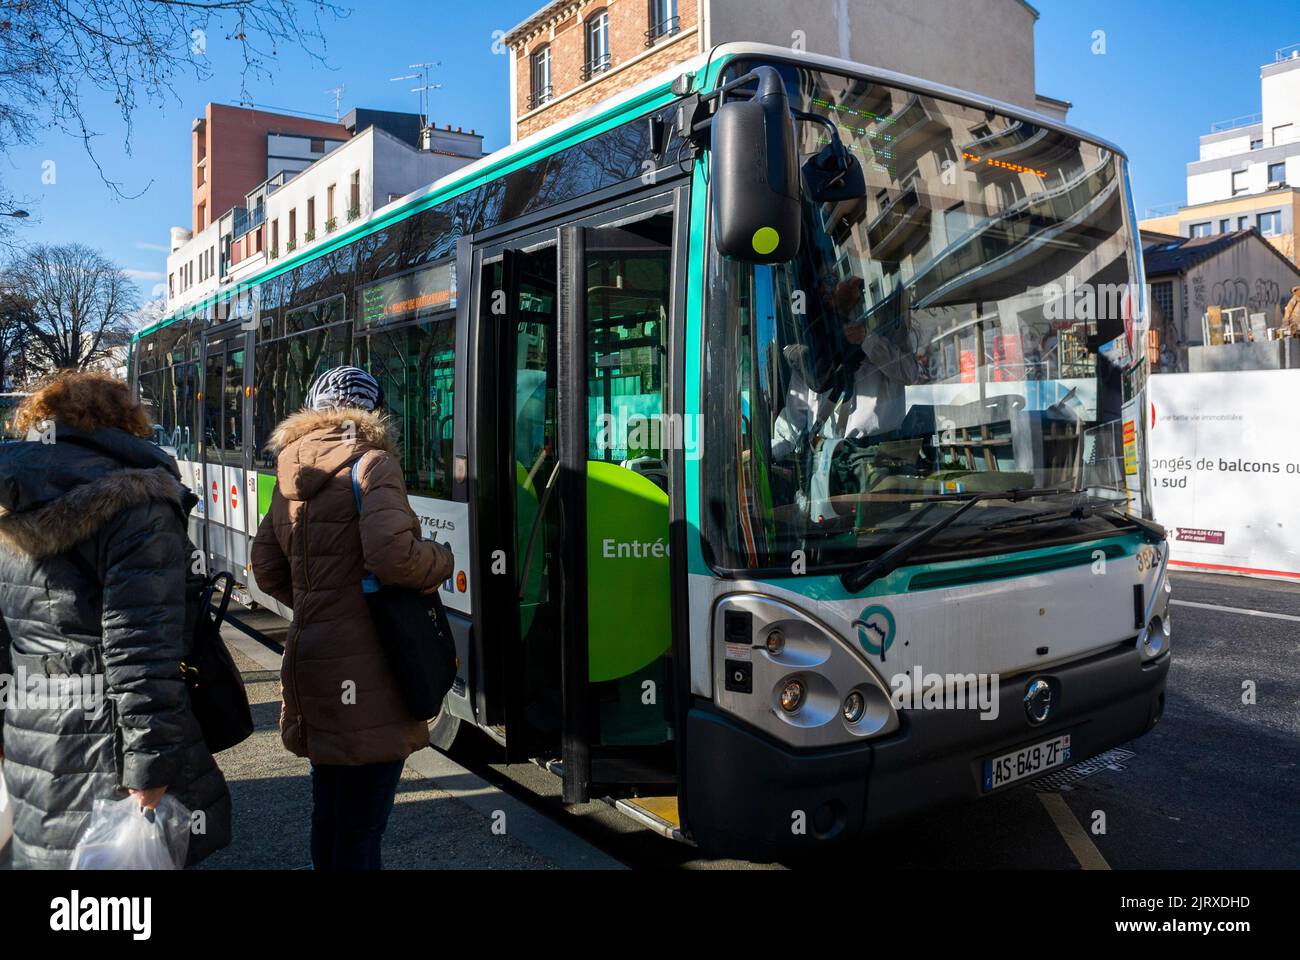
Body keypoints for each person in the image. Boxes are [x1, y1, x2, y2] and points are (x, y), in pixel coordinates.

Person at [0, 370, 231, 869]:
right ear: (123, 422)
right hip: (104, 736)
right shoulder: (138, 504)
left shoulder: (9, 496)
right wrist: (149, 764)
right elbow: (141, 649)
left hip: (29, 724)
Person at [251, 366, 453, 871]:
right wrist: (442, 559)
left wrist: (320, 606)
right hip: (371, 669)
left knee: (331, 813)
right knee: (364, 825)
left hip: (312, 663)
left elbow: (266, 568)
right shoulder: (373, 464)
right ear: (374, 409)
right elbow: (393, 557)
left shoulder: (289, 471)